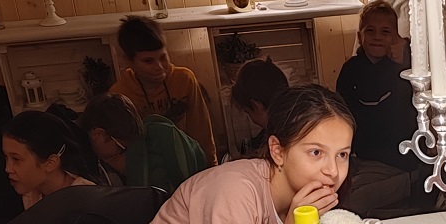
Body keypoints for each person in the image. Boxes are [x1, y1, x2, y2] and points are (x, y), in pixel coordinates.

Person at [99, 85, 352, 224]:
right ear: (277, 151)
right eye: (316, 152)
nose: (333, 171)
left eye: (342, 155)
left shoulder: (304, 198)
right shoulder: (234, 190)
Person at [111, 15, 219, 164]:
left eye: (163, 57)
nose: (159, 67)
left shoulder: (184, 79)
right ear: (129, 61)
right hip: (151, 166)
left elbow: (201, 129)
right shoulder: (120, 94)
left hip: (188, 158)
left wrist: (211, 166)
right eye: (148, 61)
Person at [336, 1, 417, 173]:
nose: (377, 37)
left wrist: (408, 50)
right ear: (360, 37)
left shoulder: (407, 66)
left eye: (385, 32)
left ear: (396, 37)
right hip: (364, 155)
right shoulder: (350, 69)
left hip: (403, 154)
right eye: (370, 31)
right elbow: (343, 112)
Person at [79, 92, 208, 191]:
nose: (91, 139)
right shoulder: (103, 168)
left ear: (99, 134)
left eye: (92, 134)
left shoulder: (156, 165)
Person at [228, 57, 291, 158]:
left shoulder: (277, 140)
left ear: (256, 106)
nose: (250, 117)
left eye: (248, 112)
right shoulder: (294, 122)